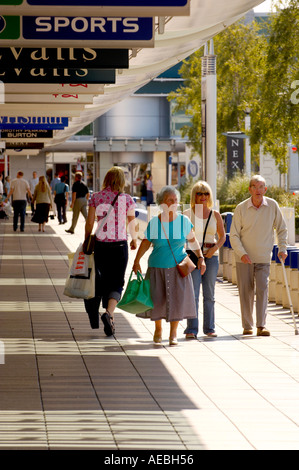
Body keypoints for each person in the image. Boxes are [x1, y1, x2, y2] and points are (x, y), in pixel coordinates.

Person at [133, 185, 206, 346]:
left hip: (178, 268)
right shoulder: (154, 222)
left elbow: (193, 241)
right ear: (162, 203)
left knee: (177, 300)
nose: (173, 203)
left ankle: (173, 333)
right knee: (157, 300)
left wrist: (201, 257)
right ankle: (158, 329)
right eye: (169, 200)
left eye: (175, 200)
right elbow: (145, 243)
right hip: (157, 266)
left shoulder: (184, 221)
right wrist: (136, 261)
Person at [230, 175, 288, 336]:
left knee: (262, 289)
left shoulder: (272, 206)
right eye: (254, 187)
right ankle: (247, 326)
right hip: (244, 258)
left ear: (265, 189)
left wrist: (282, 248)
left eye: (261, 187)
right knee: (246, 292)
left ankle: (261, 325)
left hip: (263, 257)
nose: (258, 190)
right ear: (249, 189)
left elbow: (282, 229)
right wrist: (241, 254)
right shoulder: (241, 208)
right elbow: (233, 235)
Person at [83, 166, 138, 336]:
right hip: (120, 246)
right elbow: (132, 223)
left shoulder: (96, 197)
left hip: (101, 246)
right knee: (117, 282)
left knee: (101, 280)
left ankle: (98, 313)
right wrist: (134, 239)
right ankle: (109, 313)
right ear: (122, 181)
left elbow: (90, 222)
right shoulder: (127, 199)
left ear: (106, 179)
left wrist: (87, 240)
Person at [183, 181, 226, 339]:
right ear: (194, 196)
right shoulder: (187, 214)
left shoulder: (215, 215)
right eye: (199, 193)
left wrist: (214, 249)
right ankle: (191, 329)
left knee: (209, 295)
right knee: (193, 293)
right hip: (192, 256)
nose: (203, 196)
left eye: (206, 193)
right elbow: (182, 237)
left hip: (211, 257)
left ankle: (209, 328)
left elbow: (222, 237)